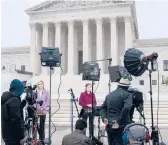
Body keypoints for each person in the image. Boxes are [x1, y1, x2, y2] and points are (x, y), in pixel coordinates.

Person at [100, 77, 133, 145]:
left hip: (109, 123)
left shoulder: (109, 95)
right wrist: (118, 121)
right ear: (127, 87)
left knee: (111, 142)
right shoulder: (128, 95)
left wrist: (104, 118)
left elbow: (102, 108)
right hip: (122, 125)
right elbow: (126, 108)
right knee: (121, 142)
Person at [1, 79, 27, 145]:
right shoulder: (14, 100)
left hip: (7, 135)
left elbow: (11, 113)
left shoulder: (7, 98)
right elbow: (16, 120)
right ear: (18, 89)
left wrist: (23, 103)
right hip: (14, 137)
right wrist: (22, 136)